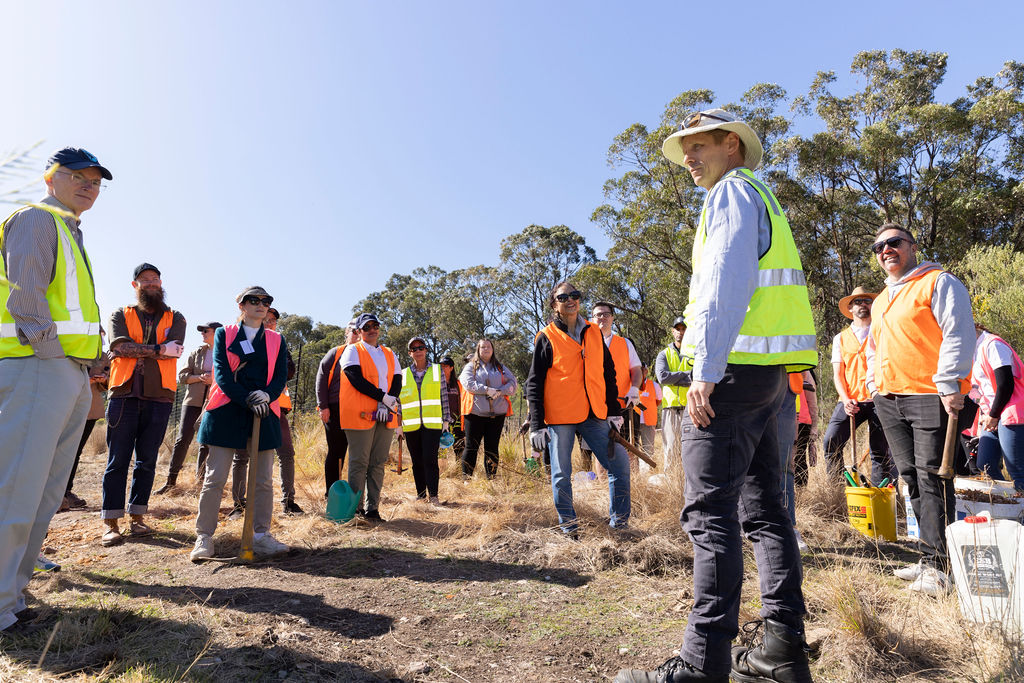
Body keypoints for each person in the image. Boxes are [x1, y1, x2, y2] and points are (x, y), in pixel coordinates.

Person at [616, 109, 817, 683]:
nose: (689, 161)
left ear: (732, 144)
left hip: (730, 379)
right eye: (685, 154)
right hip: (770, 380)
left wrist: (704, 371)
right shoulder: (764, 197)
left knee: (709, 517)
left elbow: (725, 285)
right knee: (768, 515)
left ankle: (701, 667)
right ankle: (782, 651)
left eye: (697, 147)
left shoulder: (731, 194)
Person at [0, 147, 108, 634]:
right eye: (78, 177)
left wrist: (90, 362)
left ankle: (13, 596)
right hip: (37, 366)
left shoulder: (69, 231)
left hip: (68, 372)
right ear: (51, 178)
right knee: (18, 486)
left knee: (44, 492)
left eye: (95, 180)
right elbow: (25, 295)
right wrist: (49, 354)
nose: (89, 185)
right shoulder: (37, 220)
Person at [865, 223, 974, 596]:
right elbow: (874, 349)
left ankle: (940, 568)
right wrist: (873, 385)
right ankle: (928, 557)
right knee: (910, 476)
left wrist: (950, 383)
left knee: (933, 478)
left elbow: (958, 332)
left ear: (912, 246)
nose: (886, 250)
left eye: (894, 243)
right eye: (879, 246)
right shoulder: (881, 300)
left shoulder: (938, 282)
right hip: (890, 399)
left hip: (929, 395)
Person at [190, 286, 290, 561]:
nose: (261, 305)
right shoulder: (225, 333)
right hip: (227, 409)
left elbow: (281, 376)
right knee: (215, 477)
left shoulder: (276, 339)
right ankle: (204, 537)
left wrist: (267, 395)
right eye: (253, 300)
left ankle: (261, 536)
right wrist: (246, 398)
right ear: (241, 305)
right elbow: (220, 373)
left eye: (265, 301)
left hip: (263, 410)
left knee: (263, 480)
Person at [525, 282, 630, 536]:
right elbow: (534, 383)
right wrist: (537, 425)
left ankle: (619, 526)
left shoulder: (594, 332)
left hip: (594, 413)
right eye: (563, 297)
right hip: (560, 416)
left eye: (575, 295)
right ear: (554, 305)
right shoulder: (546, 337)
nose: (570, 300)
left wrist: (614, 410)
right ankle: (569, 528)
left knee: (619, 465)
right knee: (561, 474)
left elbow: (608, 373)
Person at [100, 263, 186, 546]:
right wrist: (159, 349)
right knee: (117, 461)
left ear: (161, 284)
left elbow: (175, 351)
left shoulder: (176, 318)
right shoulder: (120, 314)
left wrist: (138, 350)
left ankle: (137, 517)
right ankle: (110, 522)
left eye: (155, 279)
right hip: (123, 394)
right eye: (144, 279)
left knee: (147, 460)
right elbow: (119, 347)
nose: (151, 283)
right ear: (135, 285)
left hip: (159, 397)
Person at [230, 307, 303, 515]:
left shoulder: (279, 343)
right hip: (245, 406)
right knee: (241, 456)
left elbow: (288, 370)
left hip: (275, 408)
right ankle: (239, 505)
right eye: (267, 319)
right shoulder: (243, 339)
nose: (270, 323)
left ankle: (288, 502)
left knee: (286, 453)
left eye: (273, 320)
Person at [822, 287, 895, 485]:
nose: (863, 304)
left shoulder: (883, 331)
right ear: (850, 308)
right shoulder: (841, 338)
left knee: (880, 452)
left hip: (880, 398)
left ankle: (882, 497)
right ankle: (838, 491)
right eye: (858, 301)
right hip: (850, 400)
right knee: (831, 442)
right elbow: (838, 374)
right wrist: (846, 400)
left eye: (867, 301)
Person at [340, 313, 402, 520]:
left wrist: (390, 400)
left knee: (378, 462)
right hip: (360, 414)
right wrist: (383, 398)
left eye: (375, 325)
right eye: (367, 327)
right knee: (359, 462)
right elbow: (355, 378)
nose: (372, 330)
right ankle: (355, 510)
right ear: (358, 332)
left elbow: (397, 379)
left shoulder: (389, 353)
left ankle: (372, 509)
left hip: (386, 413)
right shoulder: (352, 350)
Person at [155, 322, 221, 494]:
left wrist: (214, 380)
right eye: (202, 331)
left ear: (217, 332)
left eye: (206, 331)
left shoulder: (227, 353)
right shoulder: (197, 352)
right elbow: (183, 376)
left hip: (214, 401)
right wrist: (200, 378)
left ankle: (200, 483)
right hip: (192, 401)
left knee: (206, 442)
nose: (203, 334)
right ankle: (171, 481)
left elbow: (231, 376)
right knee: (182, 439)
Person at [971, 325, 1024, 490]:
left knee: (1017, 470)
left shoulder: (993, 345)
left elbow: (1005, 384)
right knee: (985, 464)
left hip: (1010, 411)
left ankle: (1019, 512)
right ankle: (1008, 502)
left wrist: (993, 415)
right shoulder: (974, 350)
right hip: (993, 413)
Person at [400, 336, 451, 503]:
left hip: (433, 424)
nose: (418, 351)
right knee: (417, 462)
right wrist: (398, 424)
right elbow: (399, 401)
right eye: (414, 349)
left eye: (421, 347)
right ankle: (421, 496)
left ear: (426, 350)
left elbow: (444, 395)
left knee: (430, 460)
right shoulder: (403, 374)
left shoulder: (437, 371)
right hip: (411, 425)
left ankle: (434, 496)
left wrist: (446, 420)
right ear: (410, 353)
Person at [459, 338, 517, 479]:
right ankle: (467, 478)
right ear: (478, 350)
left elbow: (513, 383)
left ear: (493, 350)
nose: (486, 349)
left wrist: (500, 391)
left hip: (496, 415)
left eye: (488, 347)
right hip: (475, 414)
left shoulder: (500, 367)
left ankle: (491, 478)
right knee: (471, 446)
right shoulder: (470, 366)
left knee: (492, 448)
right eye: (483, 347)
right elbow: (467, 383)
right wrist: (486, 390)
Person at [61, 350, 110, 510]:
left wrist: (103, 380)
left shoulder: (103, 356)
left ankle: (66, 492)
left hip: (90, 409)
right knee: (60, 451)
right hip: (66, 406)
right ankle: (53, 493)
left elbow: (109, 384)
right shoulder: (67, 348)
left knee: (76, 451)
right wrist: (84, 381)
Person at [316, 320, 360, 498]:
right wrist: (323, 406)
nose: (356, 334)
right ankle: (332, 493)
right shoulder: (336, 353)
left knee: (357, 453)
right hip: (334, 409)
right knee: (336, 450)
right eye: (353, 331)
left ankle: (354, 494)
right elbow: (321, 378)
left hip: (359, 410)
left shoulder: (366, 355)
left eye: (359, 330)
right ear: (346, 333)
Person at [654, 316, 691, 479]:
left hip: (691, 409)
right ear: (672, 331)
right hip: (671, 410)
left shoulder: (694, 354)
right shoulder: (664, 354)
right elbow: (662, 377)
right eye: (678, 329)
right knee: (670, 449)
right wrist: (686, 376)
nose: (681, 332)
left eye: (684, 329)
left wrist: (675, 378)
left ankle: (689, 483)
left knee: (691, 449)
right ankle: (672, 483)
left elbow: (698, 376)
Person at [792, 370, 818, 486]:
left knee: (799, 461)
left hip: (802, 422)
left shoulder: (805, 370)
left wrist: (814, 431)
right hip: (781, 420)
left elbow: (812, 402)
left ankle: (801, 496)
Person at [633, 364, 662, 467]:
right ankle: (634, 473)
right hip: (633, 422)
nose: (641, 371)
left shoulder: (654, 385)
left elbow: (658, 401)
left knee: (648, 449)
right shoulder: (630, 385)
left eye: (643, 369)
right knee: (633, 448)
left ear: (646, 371)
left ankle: (647, 473)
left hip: (648, 422)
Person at [440, 356, 464, 452]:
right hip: (441, 420)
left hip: (456, 420)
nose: (442, 368)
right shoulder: (436, 383)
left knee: (459, 447)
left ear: (451, 368)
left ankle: (458, 466)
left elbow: (463, 401)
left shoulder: (458, 384)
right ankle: (442, 466)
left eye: (445, 366)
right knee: (441, 448)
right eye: (441, 366)